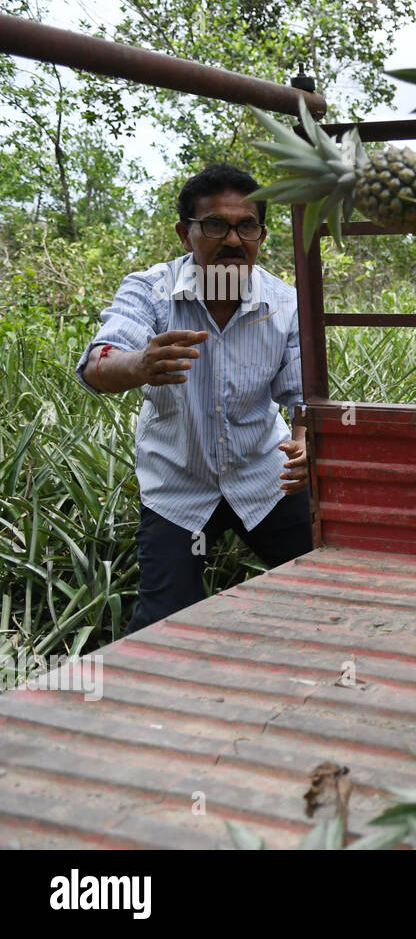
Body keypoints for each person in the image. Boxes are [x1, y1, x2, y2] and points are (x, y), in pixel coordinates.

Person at [75, 163, 312, 636]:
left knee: (328, 586)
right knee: (163, 624)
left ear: (261, 235)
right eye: (214, 226)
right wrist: (140, 364)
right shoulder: (151, 290)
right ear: (185, 234)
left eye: (246, 226)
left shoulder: (284, 301)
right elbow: (96, 365)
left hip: (264, 478)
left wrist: (305, 440)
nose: (232, 240)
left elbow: (301, 394)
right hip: (178, 487)